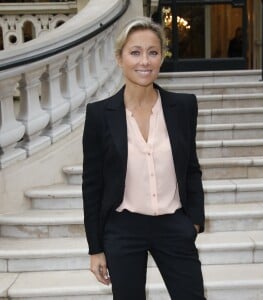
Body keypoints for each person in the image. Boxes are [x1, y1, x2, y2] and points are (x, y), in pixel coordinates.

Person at [82, 16, 206, 300]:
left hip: (174, 225)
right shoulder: (100, 115)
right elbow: (92, 186)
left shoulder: (183, 107)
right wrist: (95, 248)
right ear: (119, 58)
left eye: (153, 52)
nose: (145, 61)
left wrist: (194, 222)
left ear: (162, 57)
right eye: (135, 52)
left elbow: (190, 169)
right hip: (123, 228)